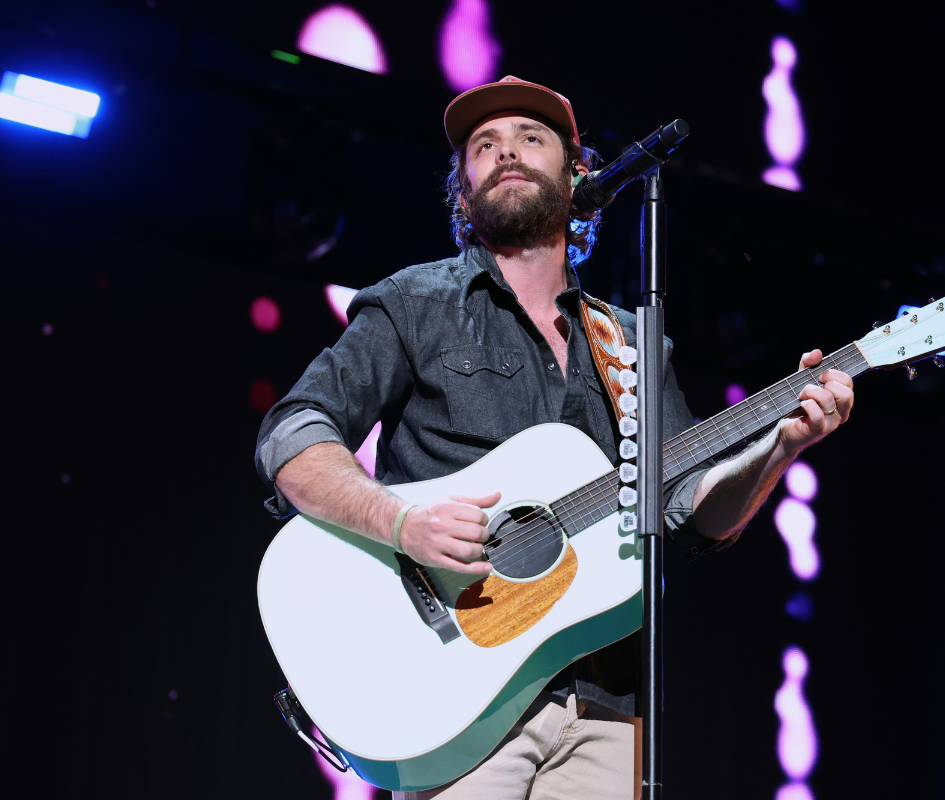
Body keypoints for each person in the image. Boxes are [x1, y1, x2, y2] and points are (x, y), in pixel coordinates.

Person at [255, 76, 854, 800]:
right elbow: (292, 435)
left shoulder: (631, 345)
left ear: (578, 176)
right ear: (463, 187)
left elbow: (691, 513)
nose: (506, 153)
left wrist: (779, 449)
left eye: (530, 138)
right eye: (485, 146)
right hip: (460, 698)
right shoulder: (413, 302)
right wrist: (402, 522)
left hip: (608, 705)